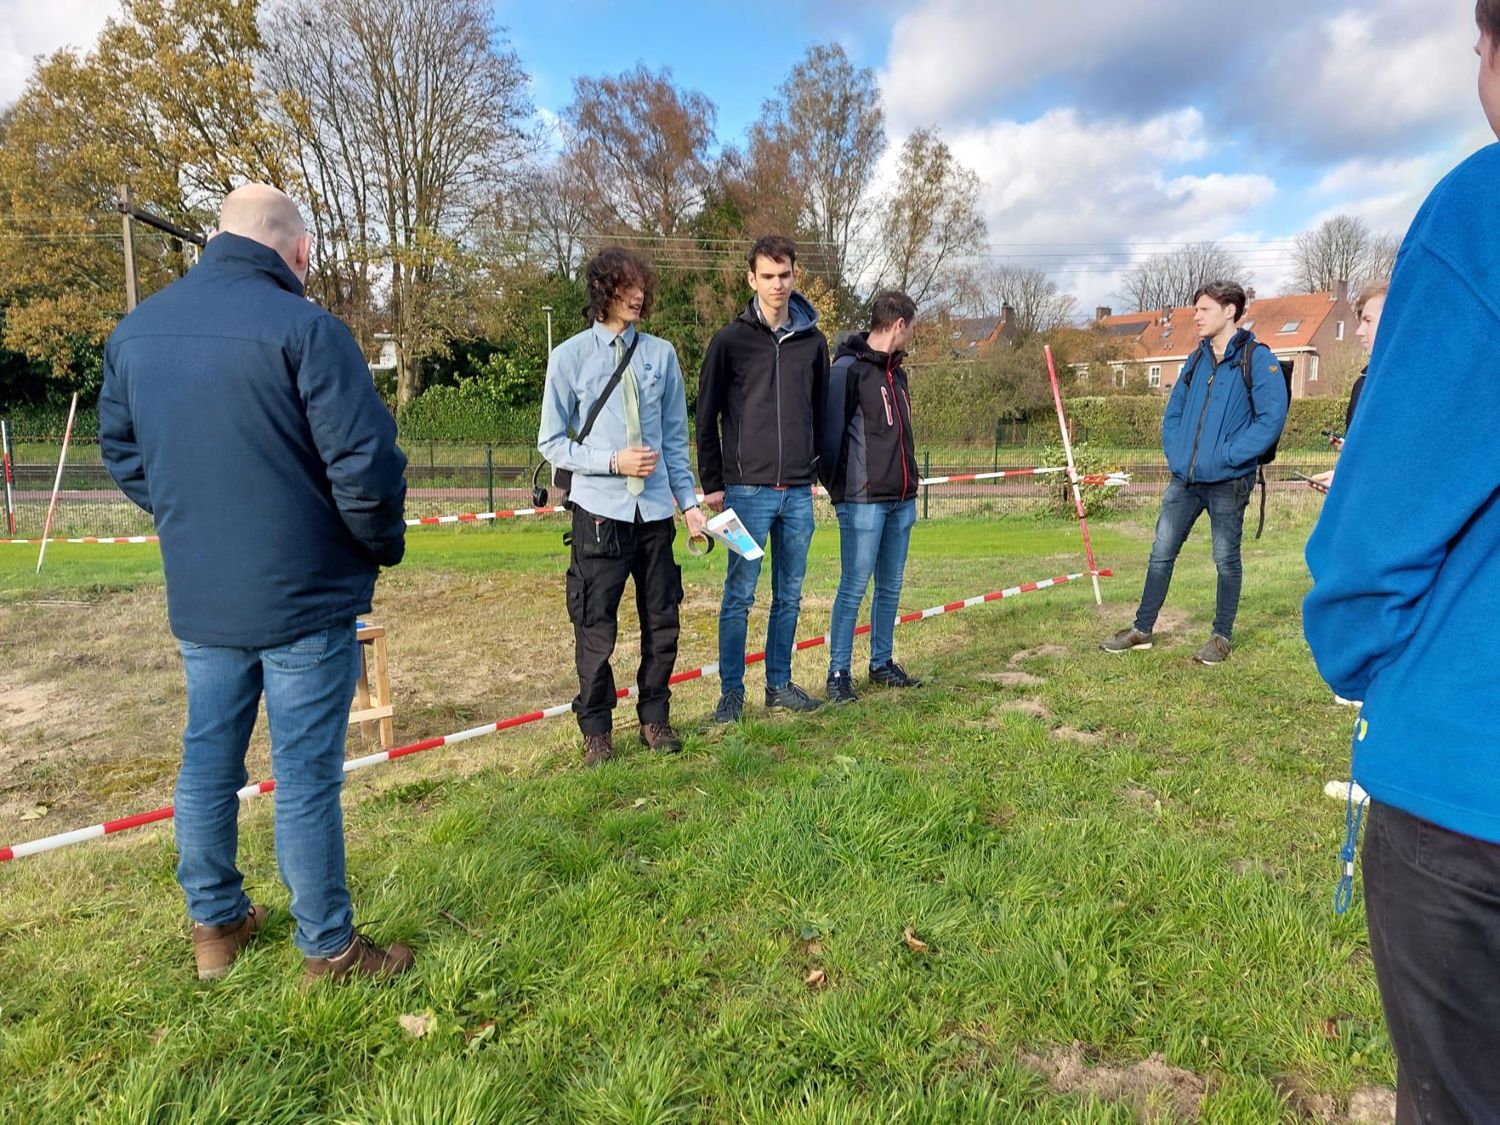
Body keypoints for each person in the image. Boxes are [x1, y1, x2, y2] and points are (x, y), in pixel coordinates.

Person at [98, 184, 413, 984]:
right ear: (297, 251)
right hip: (304, 593)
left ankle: (216, 923)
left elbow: (125, 453)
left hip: (203, 595)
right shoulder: (307, 328)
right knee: (306, 775)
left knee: (208, 760)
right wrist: (376, 546)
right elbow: (367, 467)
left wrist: (190, 518)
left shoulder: (136, 334)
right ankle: (330, 948)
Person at [1304, 8, 1500, 1118]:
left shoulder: (1482, 213)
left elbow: (1381, 528)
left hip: (1473, 791)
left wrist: (1365, 657)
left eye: (1480, 39)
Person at [538, 248, 707, 767]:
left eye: (641, 288)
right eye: (624, 288)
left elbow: (676, 443)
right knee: (595, 628)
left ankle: (655, 720)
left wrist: (691, 507)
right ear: (601, 292)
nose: (636, 296)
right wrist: (612, 462)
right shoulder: (568, 357)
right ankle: (597, 731)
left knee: (663, 622)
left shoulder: (662, 355)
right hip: (598, 517)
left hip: (654, 516)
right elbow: (551, 443)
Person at [1101, 280, 1288, 665]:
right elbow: (1174, 411)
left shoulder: (1258, 359)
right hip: (1184, 479)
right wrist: (1175, 451)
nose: (1196, 316)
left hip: (1229, 481)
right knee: (1161, 552)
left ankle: (1220, 637)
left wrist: (1228, 456)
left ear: (1230, 311)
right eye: (1196, 309)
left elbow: (1271, 421)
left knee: (1225, 558)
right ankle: (1142, 629)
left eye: (1204, 309)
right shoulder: (1195, 359)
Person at [697, 234, 830, 721]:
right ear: (752, 278)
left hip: (796, 494)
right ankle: (731, 694)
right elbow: (705, 414)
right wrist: (713, 483)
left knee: (789, 594)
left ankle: (779, 685)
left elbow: (821, 413)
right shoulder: (729, 342)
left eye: (785, 275)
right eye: (768, 276)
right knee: (739, 595)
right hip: (745, 495)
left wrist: (818, 473)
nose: (777, 284)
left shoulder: (814, 344)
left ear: (795, 277)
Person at [820, 290, 922, 704]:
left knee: (891, 585)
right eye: (913, 326)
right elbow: (829, 439)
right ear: (899, 324)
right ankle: (838, 672)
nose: (914, 334)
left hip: (901, 498)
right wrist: (840, 491)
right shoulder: (846, 370)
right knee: (854, 586)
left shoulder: (899, 375)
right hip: (861, 501)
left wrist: (909, 483)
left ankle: (881, 662)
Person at [1311, 280, 1386, 490]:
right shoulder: (1362, 383)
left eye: (1368, 321)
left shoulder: (1409, 388)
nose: (1359, 331)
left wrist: (1347, 482)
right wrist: (1349, 448)